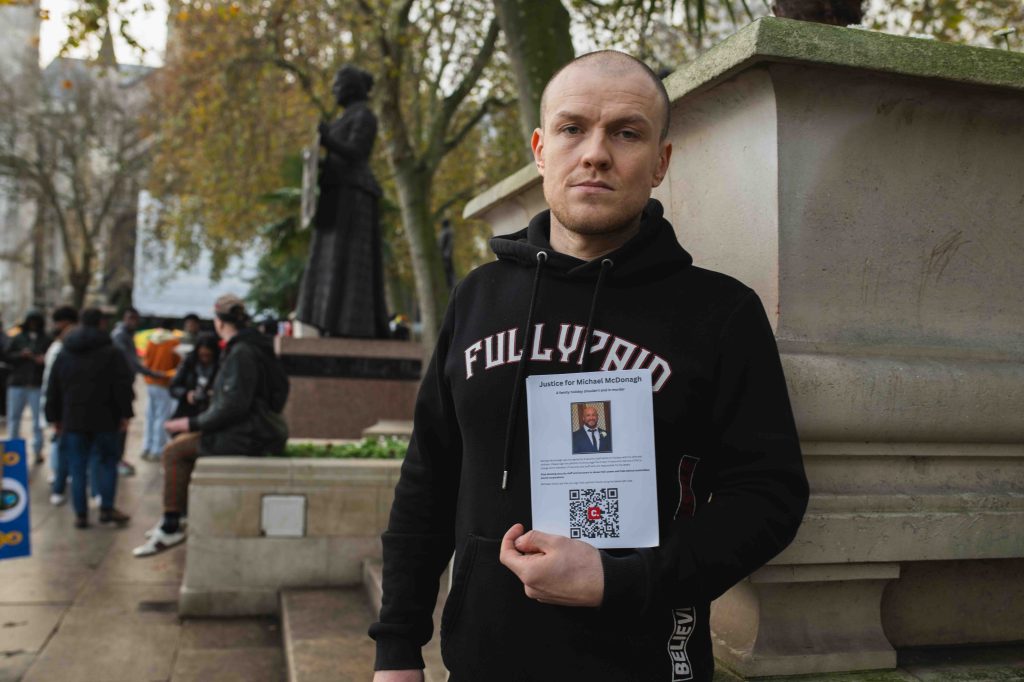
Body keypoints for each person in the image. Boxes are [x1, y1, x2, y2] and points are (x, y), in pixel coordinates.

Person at [369, 51, 808, 682]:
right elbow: (429, 476)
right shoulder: (479, 297)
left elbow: (769, 497)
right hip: (482, 664)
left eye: (626, 132)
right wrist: (396, 648)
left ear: (660, 162)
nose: (596, 153)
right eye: (574, 128)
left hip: (648, 663)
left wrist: (619, 578)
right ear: (541, 150)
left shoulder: (720, 313)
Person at [132, 294, 289, 557]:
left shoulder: (242, 352)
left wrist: (191, 422)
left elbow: (233, 406)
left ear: (219, 322)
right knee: (180, 444)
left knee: (174, 452)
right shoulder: (253, 346)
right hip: (257, 427)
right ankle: (176, 515)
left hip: (249, 433)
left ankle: (172, 526)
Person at [45, 308, 133, 529]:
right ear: (101, 323)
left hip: (73, 419)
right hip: (107, 419)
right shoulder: (112, 352)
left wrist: (54, 417)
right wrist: (125, 414)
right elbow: (122, 386)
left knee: (77, 466)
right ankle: (106, 508)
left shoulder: (65, 352)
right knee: (106, 463)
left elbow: (54, 387)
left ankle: (81, 515)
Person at [111, 307, 161, 475]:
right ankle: (116, 460)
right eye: (130, 318)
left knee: (123, 424)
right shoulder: (120, 336)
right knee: (120, 425)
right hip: (119, 388)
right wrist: (155, 374)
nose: (133, 322)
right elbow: (131, 364)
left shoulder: (127, 336)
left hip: (124, 386)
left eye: (135, 319)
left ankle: (117, 458)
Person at [41, 306, 79, 504]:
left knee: (63, 446)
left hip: (65, 408)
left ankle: (60, 484)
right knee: (61, 445)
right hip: (64, 408)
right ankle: (58, 482)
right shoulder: (59, 350)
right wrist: (52, 414)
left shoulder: (63, 350)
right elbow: (52, 384)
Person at [4, 310, 51, 463]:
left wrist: (43, 360)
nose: (33, 325)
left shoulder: (46, 339)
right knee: (14, 418)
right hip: (17, 383)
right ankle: (12, 451)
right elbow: (6, 356)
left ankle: (37, 450)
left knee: (38, 420)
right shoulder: (18, 338)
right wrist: (21, 355)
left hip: (36, 384)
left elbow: (51, 360)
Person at [140, 319, 181, 461]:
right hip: (164, 382)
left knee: (150, 416)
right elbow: (177, 364)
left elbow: (145, 361)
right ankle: (157, 450)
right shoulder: (173, 342)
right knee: (161, 416)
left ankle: (146, 447)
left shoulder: (151, 340)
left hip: (150, 382)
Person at [168, 333, 220, 420]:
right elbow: (173, 387)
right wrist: (187, 394)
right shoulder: (189, 363)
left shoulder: (221, 366)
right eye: (202, 355)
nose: (205, 358)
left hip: (212, 413)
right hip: (188, 412)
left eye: (208, 355)